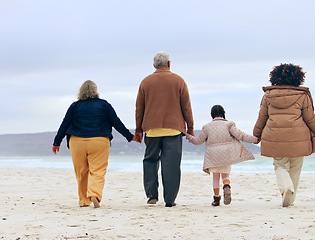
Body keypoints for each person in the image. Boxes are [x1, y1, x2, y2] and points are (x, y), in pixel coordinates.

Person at [52, 80, 135, 208]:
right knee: (97, 170)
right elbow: (116, 122)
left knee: (81, 172)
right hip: (99, 141)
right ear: (96, 91)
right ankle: (94, 194)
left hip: (77, 142)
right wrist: (130, 136)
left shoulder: (75, 106)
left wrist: (57, 142)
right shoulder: (104, 105)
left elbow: (65, 124)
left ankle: (84, 201)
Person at [253, 63, 315, 207]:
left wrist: (256, 134)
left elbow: (262, 117)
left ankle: (286, 188)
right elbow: (309, 118)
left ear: (275, 78)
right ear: (298, 78)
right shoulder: (302, 95)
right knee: (296, 168)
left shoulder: (268, 95)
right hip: (298, 137)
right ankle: (290, 198)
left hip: (275, 137)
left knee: (280, 165)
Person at [133, 52, 194, 207]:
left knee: (150, 161)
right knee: (171, 164)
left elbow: (139, 108)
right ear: (169, 63)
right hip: (173, 130)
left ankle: (152, 195)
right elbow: (186, 107)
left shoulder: (145, 82)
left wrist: (138, 130)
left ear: (154, 65)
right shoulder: (178, 81)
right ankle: (170, 199)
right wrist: (190, 127)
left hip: (152, 129)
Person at [186, 105, 259, 206]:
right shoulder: (229, 124)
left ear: (211, 115)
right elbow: (241, 135)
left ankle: (216, 199)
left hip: (213, 156)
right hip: (226, 154)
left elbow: (198, 141)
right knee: (225, 174)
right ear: (223, 114)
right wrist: (255, 140)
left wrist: (188, 136)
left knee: (215, 177)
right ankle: (226, 186)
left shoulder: (206, 127)